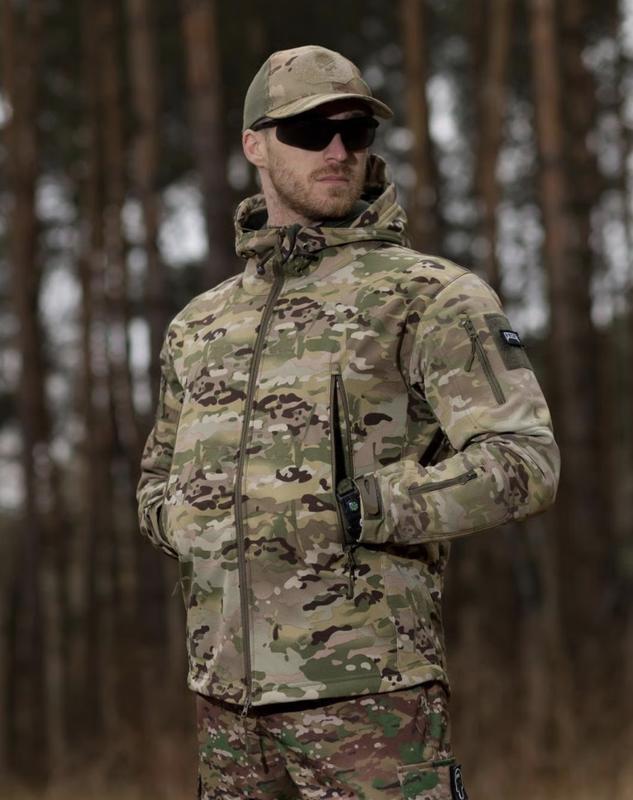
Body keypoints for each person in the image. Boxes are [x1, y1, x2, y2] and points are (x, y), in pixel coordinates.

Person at [136, 45, 560, 800]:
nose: (337, 151)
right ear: (255, 145)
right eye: (309, 130)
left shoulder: (429, 296)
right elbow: (154, 480)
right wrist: (187, 521)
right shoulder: (200, 324)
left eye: (355, 131)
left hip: (371, 700)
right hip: (225, 709)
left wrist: (366, 507)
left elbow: (525, 462)